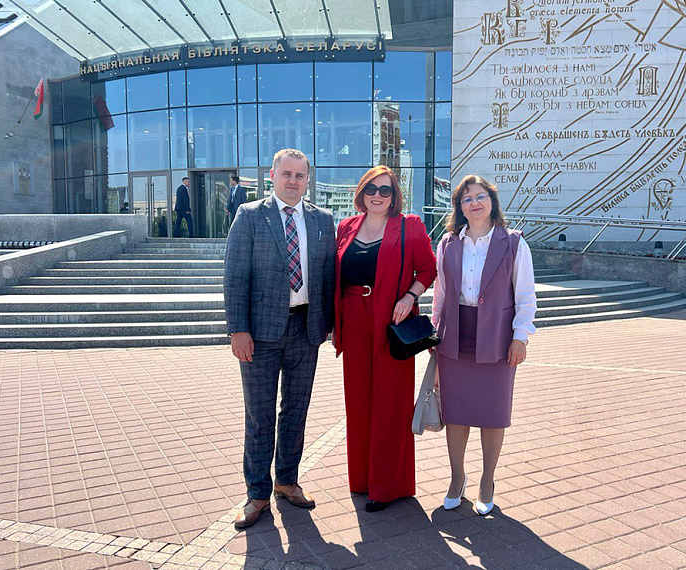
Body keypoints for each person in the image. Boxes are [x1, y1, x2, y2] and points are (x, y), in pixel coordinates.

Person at [224, 148, 336, 530]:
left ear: (308, 180)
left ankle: (287, 481)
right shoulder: (250, 216)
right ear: (272, 176)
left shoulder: (322, 220)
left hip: (307, 329)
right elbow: (235, 276)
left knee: (296, 411)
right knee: (259, 416)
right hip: (259, 333)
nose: (293, 181)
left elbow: (328, 276)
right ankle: (257, 493)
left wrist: (329, 324)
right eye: (286, 174)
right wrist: (237, 329)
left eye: (299, 175)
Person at [431, 174, 536, 516]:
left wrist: (520, 336)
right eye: (466, 199)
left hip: (497, 337)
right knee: (455, 412)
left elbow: (525, 295)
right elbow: (441, 293)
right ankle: (456, 478)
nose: (474, 203)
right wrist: (435, 333)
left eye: (480, 196)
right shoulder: (448, 243)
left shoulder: (514, 243)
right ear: (459, 208)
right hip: (454, 335)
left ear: (492, 201)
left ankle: (487, 480)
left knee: (493, 413)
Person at [333, 165, 437, 512]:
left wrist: (409, 297)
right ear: (361, 192)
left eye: (385, 190)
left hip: (391, 318)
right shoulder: (346, 227)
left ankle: (388, 485)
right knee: (358, 401)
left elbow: (428, 268)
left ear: (394, 196)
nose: (377, 195)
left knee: (390, 402)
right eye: (371, 189)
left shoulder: (409, 225)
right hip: (354, 319)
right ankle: (362, 479)